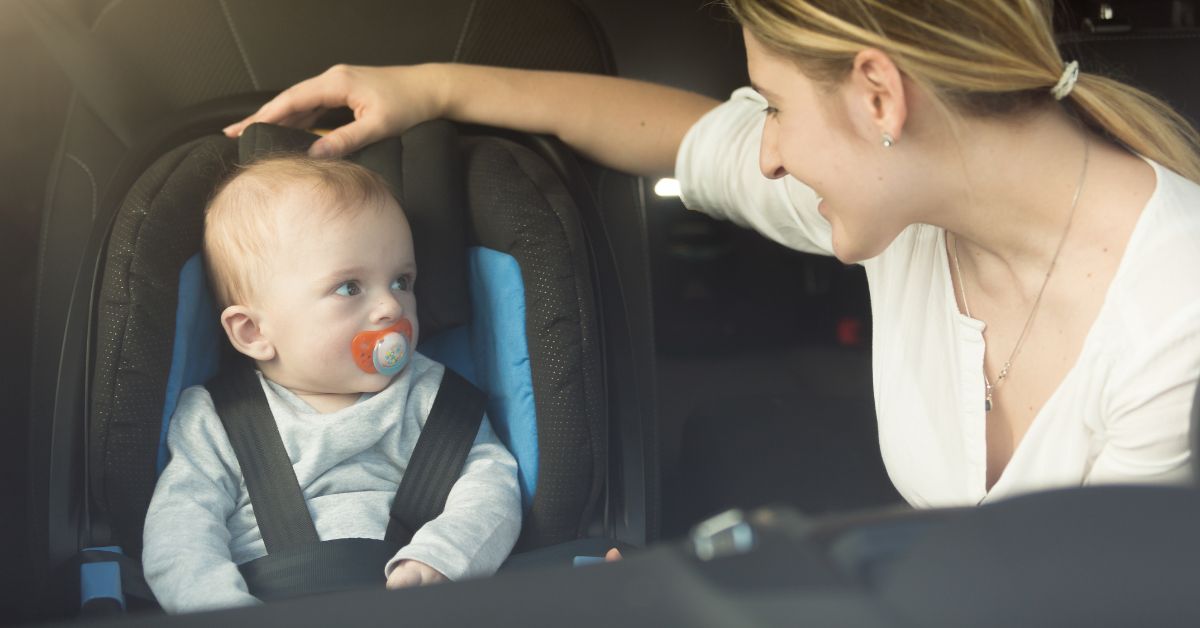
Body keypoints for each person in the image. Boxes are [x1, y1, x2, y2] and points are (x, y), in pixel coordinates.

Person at [225, 0, 1199, 509]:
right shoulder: (907, 204)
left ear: (878, 98)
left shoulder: (1176, 317)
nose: (765, 146)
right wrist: (431, 87)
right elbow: (679, 134)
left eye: (774, 105)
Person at [142, 156, 522, 613]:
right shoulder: (218, 420)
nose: (390, 308)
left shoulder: (434, 398)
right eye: (349, 288)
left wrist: (442, 557)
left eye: (402, 281)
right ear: (253, 332)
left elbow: (491, 485)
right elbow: (181, 532)